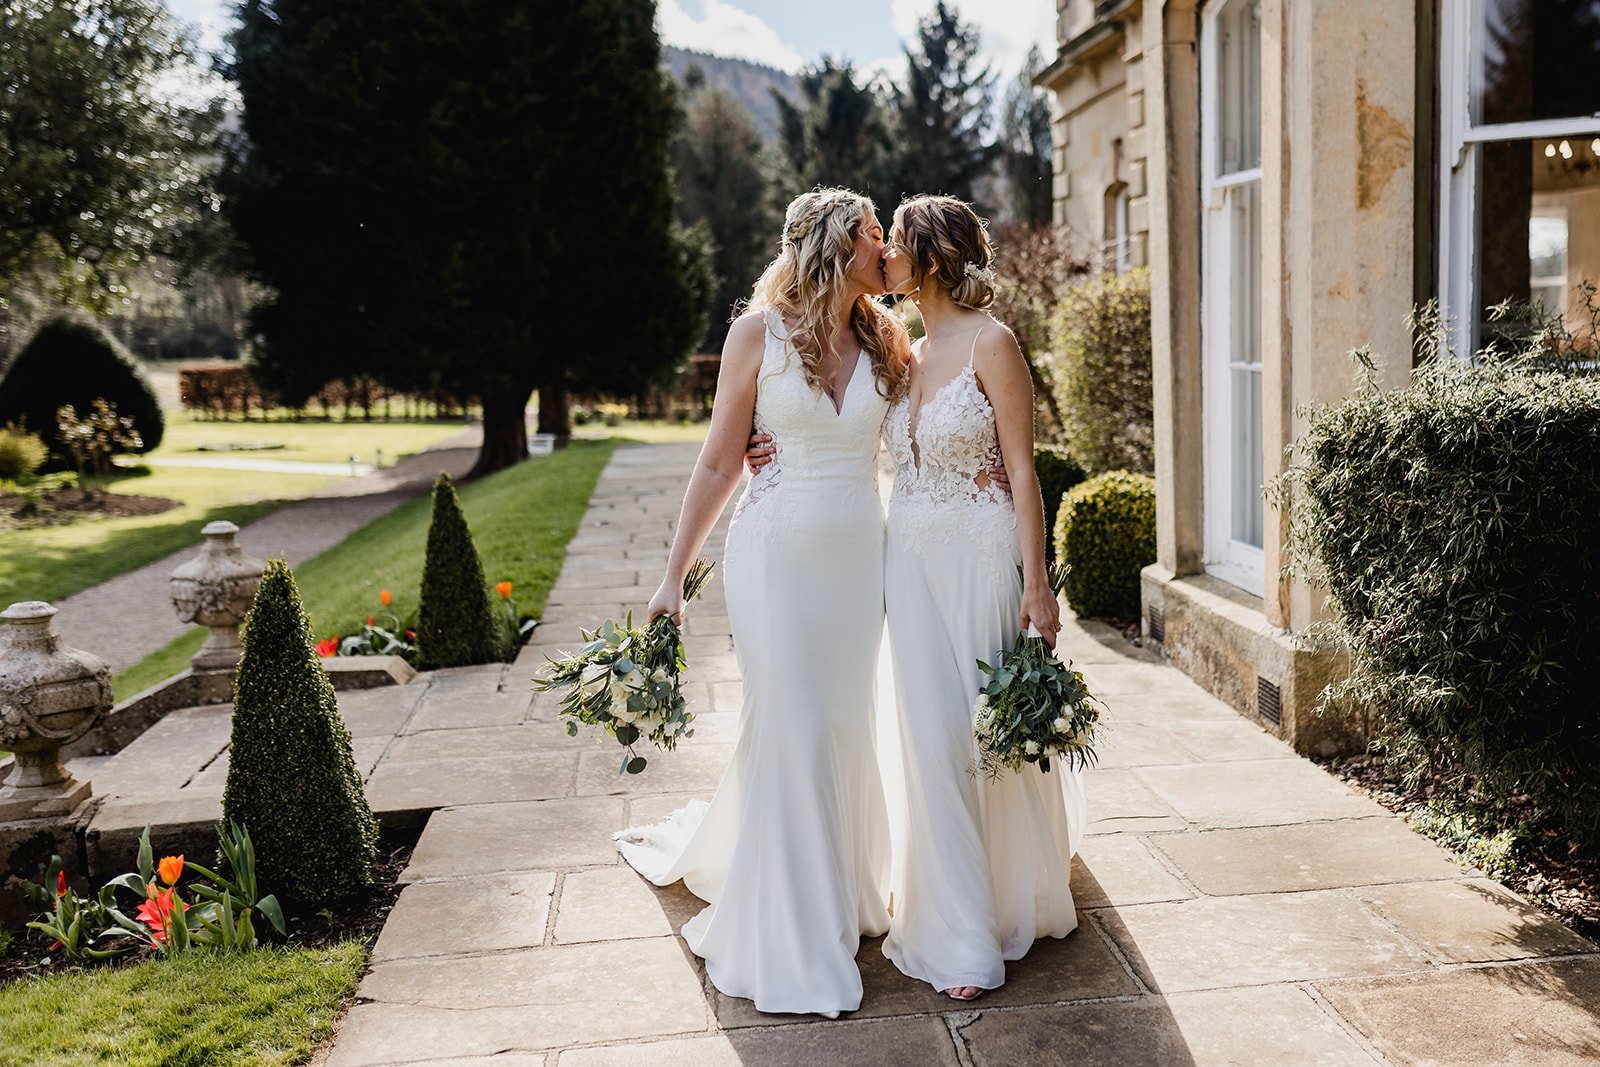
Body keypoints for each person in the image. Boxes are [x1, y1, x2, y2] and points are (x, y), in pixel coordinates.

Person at [745, 194, 1085, 1003]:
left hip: (979, 554)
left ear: (927, 258)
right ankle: (952, 917)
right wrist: (772, 444)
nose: (884, 254)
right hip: (904, 560)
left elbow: (1024, 471)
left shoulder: (993, 345)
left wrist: (1037, 582)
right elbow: (839, 421)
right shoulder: (900, 349)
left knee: (979, 735)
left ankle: (984, 914)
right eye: (878, 240)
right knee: (927, 737)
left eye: (893, 242)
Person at [614, 187, 909, 1018]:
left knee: (843, 721)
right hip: (775, 555)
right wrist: (672, 577)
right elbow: (717, 462)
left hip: (861, 561)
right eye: (871, 232)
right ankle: (791, 926)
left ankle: (844, 890)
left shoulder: (887, 336)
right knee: (796, 722)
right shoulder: (758, 334)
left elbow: (936, 418)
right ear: (831, 245)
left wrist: (987, 471)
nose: (883, 244)